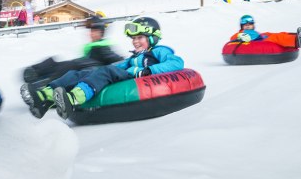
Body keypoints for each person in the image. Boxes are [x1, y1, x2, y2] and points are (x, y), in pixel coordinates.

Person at [21, 16, 184, 119]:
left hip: (139, 79)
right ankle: (45, 96)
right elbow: (120, 65)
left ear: (153, 37)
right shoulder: (134, 57)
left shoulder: (159, 51)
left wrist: (149, 70)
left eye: (140, 37)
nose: (135, 41)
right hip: (124, 75)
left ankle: (75, 98)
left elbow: (177, 63)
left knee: (107, 71)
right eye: (133, 38)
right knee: (79, 72)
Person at [21, 15, 123, 85]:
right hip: (81, 66)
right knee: (57, 62)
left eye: (95, 31)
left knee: (68, 67)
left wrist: (125, 61)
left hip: (90, 71)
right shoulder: (92, 46)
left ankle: (45, 85)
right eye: (91, 31)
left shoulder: (103, 47)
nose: (92, 34)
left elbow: (114, 58)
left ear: (101, 33)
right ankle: (35, 73)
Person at [231, 14, 301, 48]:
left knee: (280, 34)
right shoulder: (241, 33)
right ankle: (297, 41)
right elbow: (233, 38)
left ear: (253, 25)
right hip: (258, 42)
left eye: (250, 23)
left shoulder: (254, 32)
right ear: (242, 26)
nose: (248, 25)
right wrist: (240, 36)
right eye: (245, 24)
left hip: (260, 37)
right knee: (276, 37)